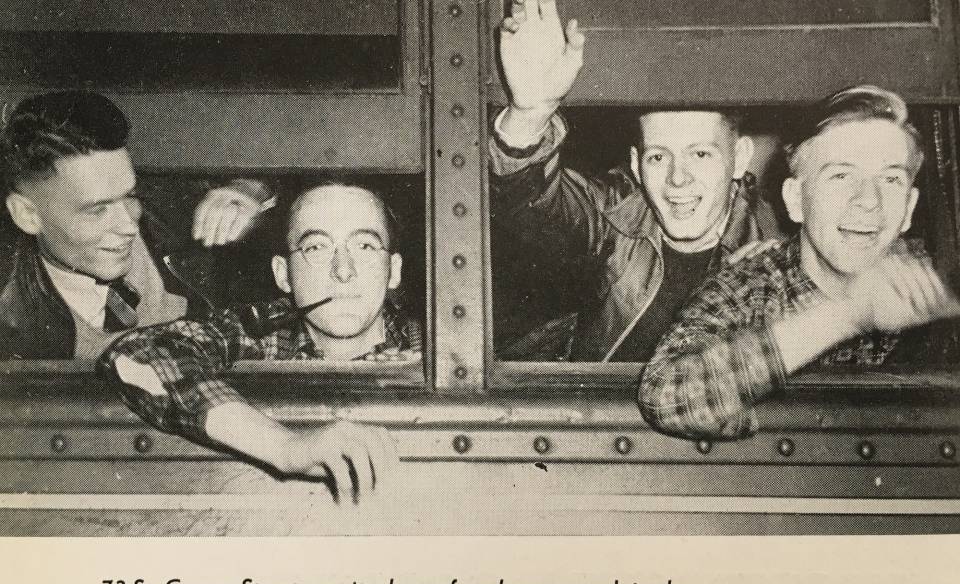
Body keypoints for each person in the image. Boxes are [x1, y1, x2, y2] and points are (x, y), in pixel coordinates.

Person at [638, 86, 960, 440]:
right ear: (794, 200)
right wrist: (849, 313)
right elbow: (664, 397)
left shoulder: (941, 280)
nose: (869, 201)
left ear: (909, 208)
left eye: (890, 179)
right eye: (841, 175)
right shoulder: (751, 287)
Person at [490, 0, 784, 361]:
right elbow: (531, 201)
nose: (678, 179)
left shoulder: (777, 246)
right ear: (636, 164)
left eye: (701, 154)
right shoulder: (617, 217)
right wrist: (531, 114)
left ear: (739, 158)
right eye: (658, 156)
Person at [98, 184, 416, 500]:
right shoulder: (264, 331)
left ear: (394, 270)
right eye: (317, 248)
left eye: (364, 246)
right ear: (283, 274)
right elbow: (138, 353)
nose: (343, 271)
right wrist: (287, 447)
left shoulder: (440, 345)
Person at [0, 91, 273, 360]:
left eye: (129, 194)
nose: (129, 225)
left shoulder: (177, 213)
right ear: (26, 215)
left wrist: (249, 191)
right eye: (97, 209)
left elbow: (276, 179)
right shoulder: (10, 327)